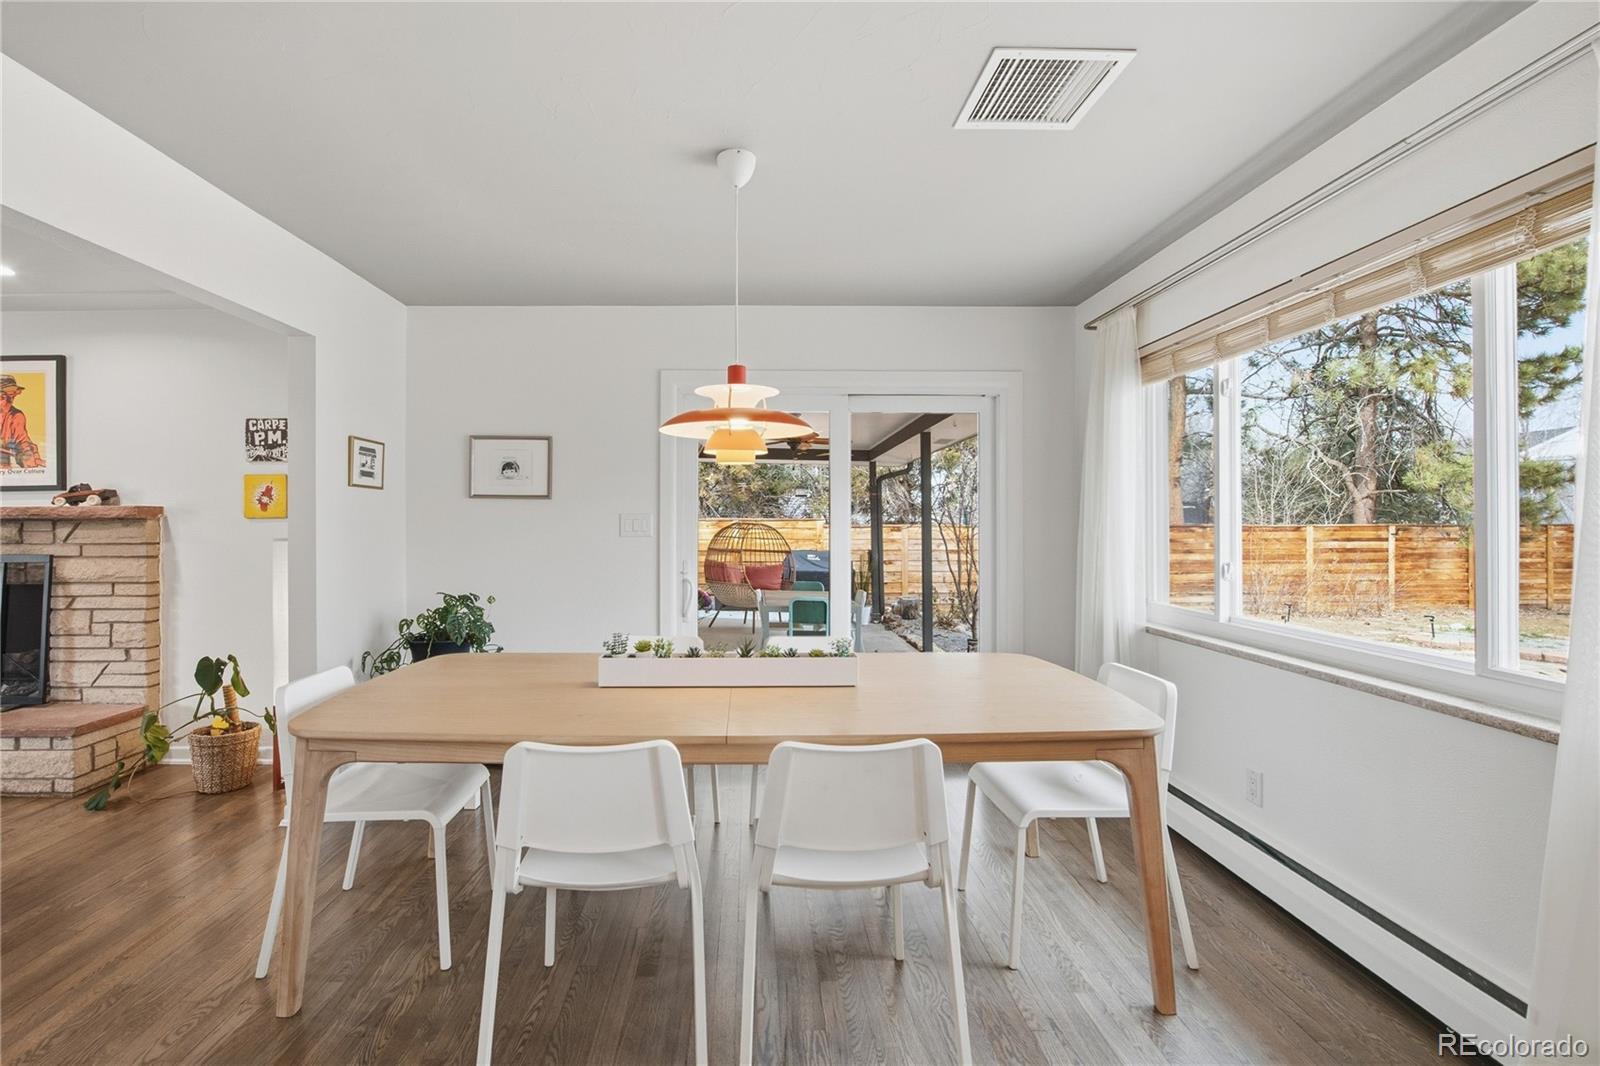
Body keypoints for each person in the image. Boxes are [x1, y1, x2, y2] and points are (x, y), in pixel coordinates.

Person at [0, 375, 44, 470]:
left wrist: (29, 456)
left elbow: (23, 442)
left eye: (12, 396)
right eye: (2, 397)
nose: (9, 401)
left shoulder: (15, 416)